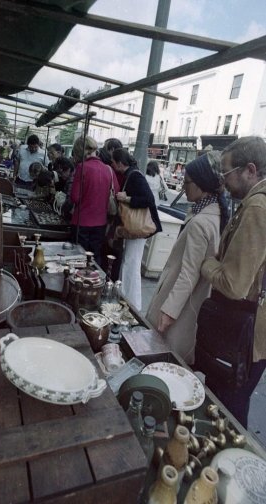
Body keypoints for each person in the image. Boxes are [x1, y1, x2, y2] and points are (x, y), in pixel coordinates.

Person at [200, 136, 266, 427]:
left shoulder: (256, 209)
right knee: (234, 403)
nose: (223, 180)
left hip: (242, 335)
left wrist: (209, 265)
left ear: (250, 170)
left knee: (226, 410)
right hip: (252, 333)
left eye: (226, 172)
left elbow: (234, 284)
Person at [146, 151, 229, 364]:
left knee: (165, 357)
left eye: (187, 182)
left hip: (180, 303)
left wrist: (169, 312)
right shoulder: (215, 213)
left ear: (201, 184)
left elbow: (189, 272)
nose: (183, 186)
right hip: (193, 301)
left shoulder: (202, 222)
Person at [112, 148, 162, 311]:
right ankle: (128, 299)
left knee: (131, 262)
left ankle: (130, 303)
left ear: (120, 163)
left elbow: (148, 199)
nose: (112, 164)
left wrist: (126, 198)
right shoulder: (133, 174)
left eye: (113, 162)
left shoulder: (134, 175)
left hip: (140, 227)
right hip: (138, 228)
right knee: (130, 261)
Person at [70, 136, 119, 265]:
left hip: (82, 222)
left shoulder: (82, 167)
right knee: (94, 257)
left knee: (79, 257)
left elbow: (75, 197)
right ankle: (95, 282)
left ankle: (79, 283)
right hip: (100, 223)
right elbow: (116, 193)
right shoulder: (109, 169)